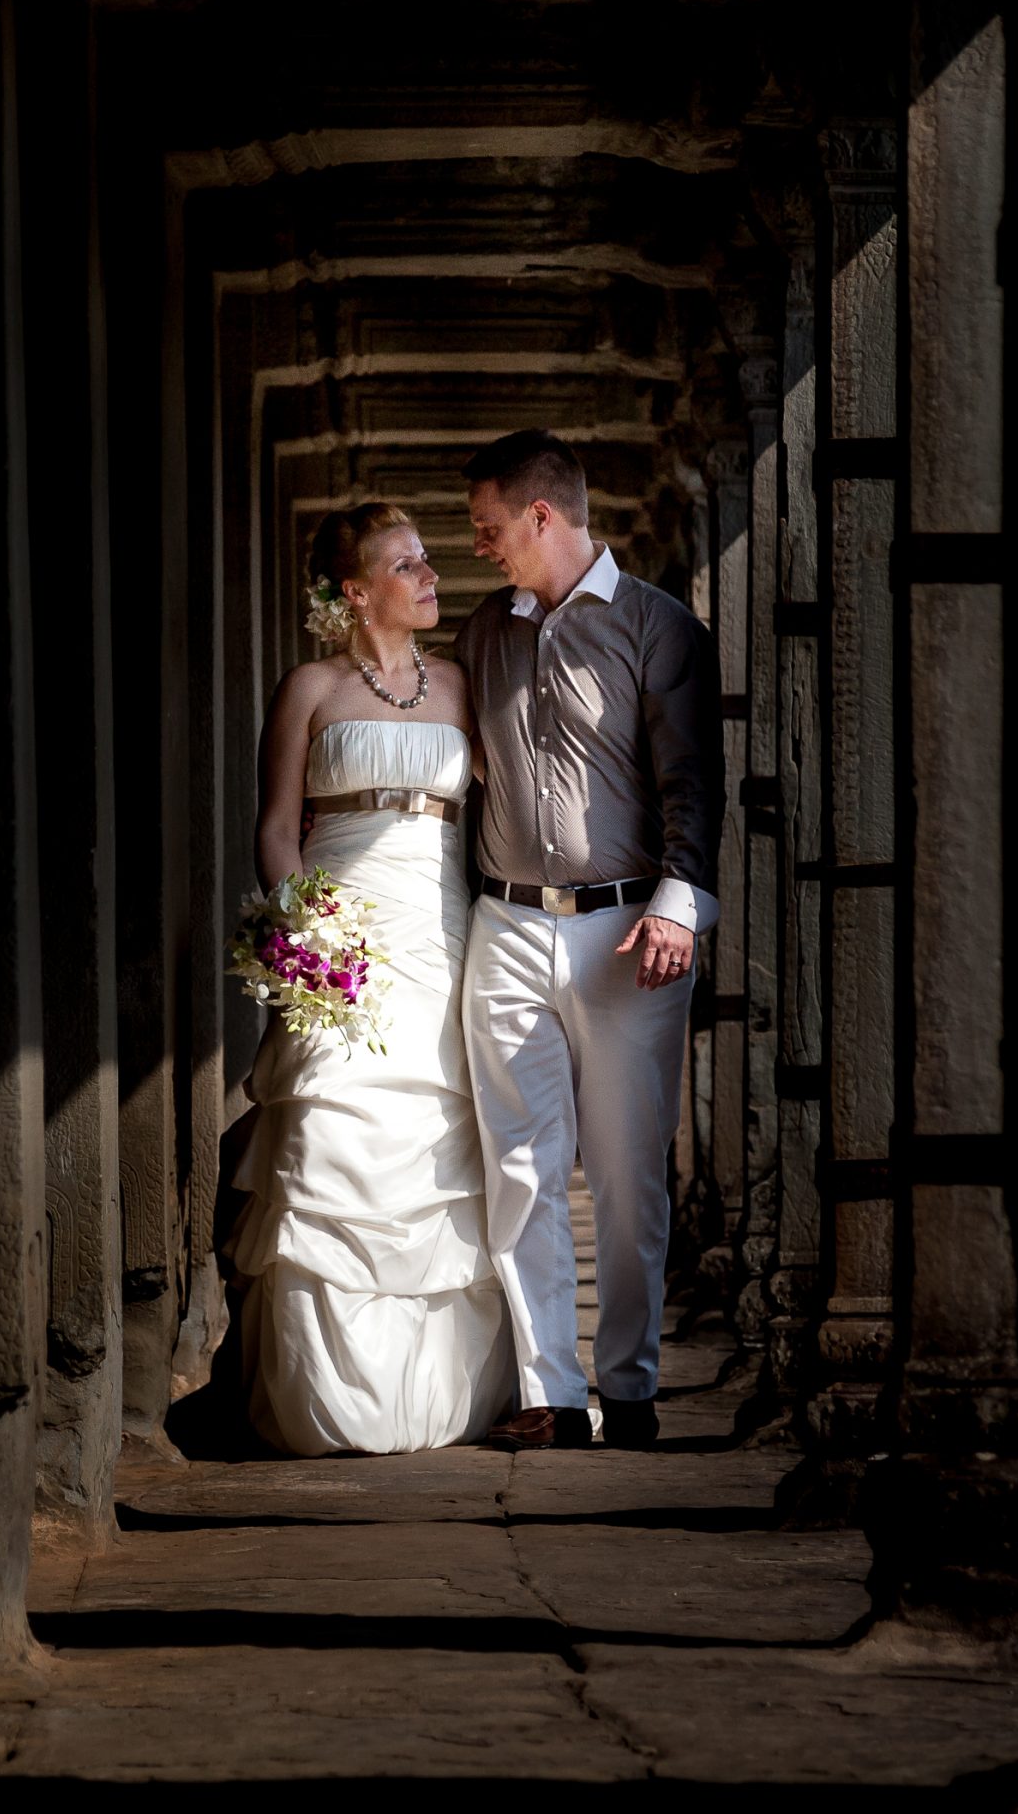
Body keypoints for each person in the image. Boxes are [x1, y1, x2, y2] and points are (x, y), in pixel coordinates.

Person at [451, 430, 721, 1451]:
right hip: (507, 920)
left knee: (624, 1170)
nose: (480, 547)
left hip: (626, 931)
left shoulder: (662, 627)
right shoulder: (485, 632)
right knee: (520, 1164)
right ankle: (554, 1392)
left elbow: (695, 780)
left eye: (489, 529)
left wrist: (680, 901)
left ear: (541, 516)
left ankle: (632, 1384)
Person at [226, 502, 514, 1454]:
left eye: (428, 558)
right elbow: (276, 825)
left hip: (438, 931)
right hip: (339, 936)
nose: (431, 575)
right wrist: (302, 931)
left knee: (440, 1148)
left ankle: (438, 1393)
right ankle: (327, 1398)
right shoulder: (309, 687)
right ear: (356, 590)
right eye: (408, 563)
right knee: (323, 1134)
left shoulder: (465, 687)